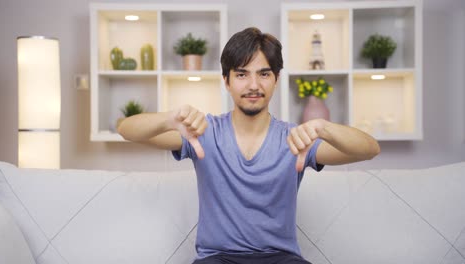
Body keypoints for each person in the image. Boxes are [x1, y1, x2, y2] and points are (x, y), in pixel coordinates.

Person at [118, 27, 380, 264]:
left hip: (282, 259)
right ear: (227, 81)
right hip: (216, 259)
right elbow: (126, 130)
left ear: (276, 79)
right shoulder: (203, 133)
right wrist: (169, 119)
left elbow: (369, 149)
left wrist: (323, 127)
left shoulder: (297, 139)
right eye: (242, 74)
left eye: (264, 74)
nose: (253, 85)